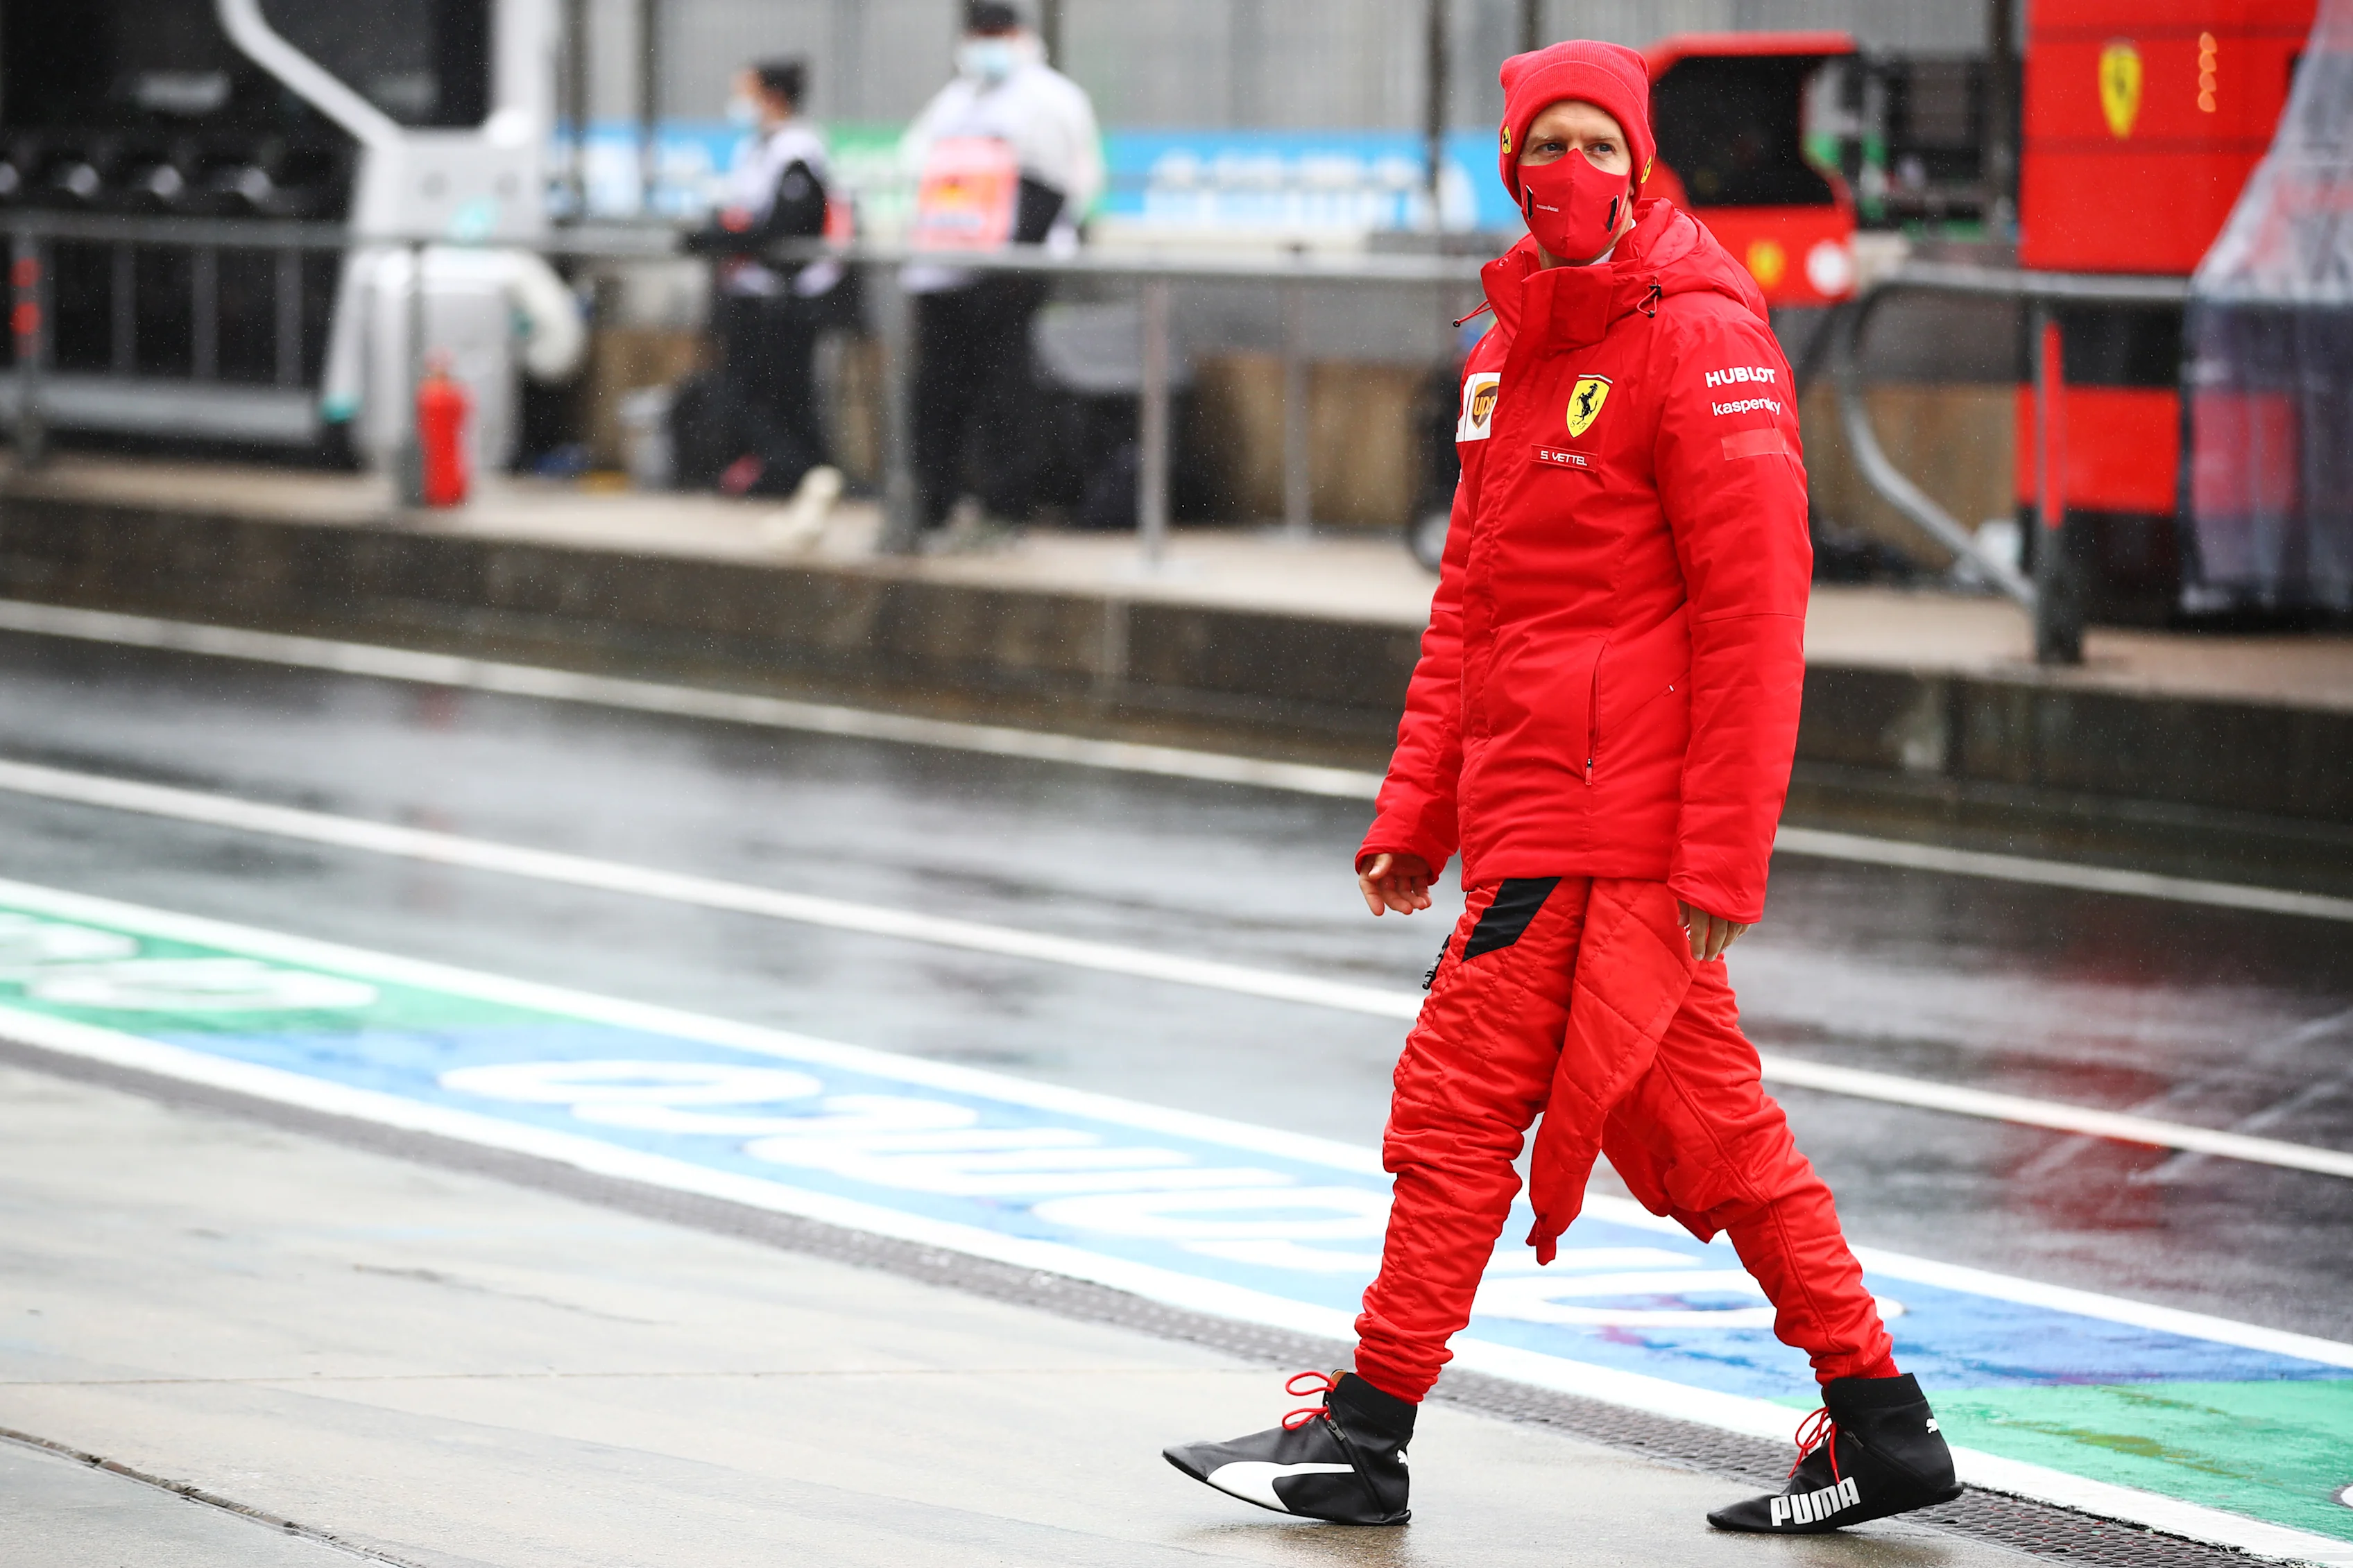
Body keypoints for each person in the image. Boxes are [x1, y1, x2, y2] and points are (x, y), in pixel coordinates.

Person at [1162, 41, 1962, 1537]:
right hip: (1538, 811)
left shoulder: (1705, 338)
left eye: (1600, 143)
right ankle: (1881, 1420)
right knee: (1713, 1138)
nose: (1571, 172)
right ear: (1511, 162)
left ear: (1644, 161)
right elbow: (1468, 605)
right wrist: (1417, 812)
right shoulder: (1503, 351)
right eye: (1546, 145)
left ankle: (1365, 1426)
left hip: (1617, 826)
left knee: (1455, 1108)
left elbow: (1756, 613)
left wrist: (1723, 860)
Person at [899, 0, 1102, 543]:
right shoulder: (955, 101)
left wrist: (1012, 268)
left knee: (1004, 394)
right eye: (978, 33)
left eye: (996, 32)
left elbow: (1054, 190)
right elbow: (922, 173)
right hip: (943, 273)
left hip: (1006, 276)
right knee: (938, 394)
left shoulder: (1048, 100)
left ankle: (1005, 508)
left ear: (1019, 35)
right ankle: (933, 504)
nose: (985, 44)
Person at [685, 57, 842, 527]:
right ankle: (778, 471)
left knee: (785, 394)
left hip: (786, 300)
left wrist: (724, 239)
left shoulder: (798, 150)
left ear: (771, 96)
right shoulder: (755, 149)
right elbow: (743, 217)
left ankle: (798, 472)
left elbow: (784, 226)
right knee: (747, 390)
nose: (740, 102)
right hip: (749, 295)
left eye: (747, 91)